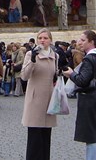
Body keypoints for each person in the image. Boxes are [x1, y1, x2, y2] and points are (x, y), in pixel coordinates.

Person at [63, 30, 96, 160]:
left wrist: (71, 74)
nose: (80, 42)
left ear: (92, 42)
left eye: (83, 40)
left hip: (89, 98)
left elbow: (82, 81)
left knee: (90, 136)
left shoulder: (89, 59)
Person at [21, 28, 58, 160]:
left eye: (45, 38)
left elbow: (55, 75)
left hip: (49, 100)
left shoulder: (55, 56)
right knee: (34, 140)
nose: (42, 40)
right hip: (35, 101)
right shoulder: (30, 55)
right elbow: (24, 76)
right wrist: (33, 60)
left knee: (46, 137)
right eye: (40, 38)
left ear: (50, 40)